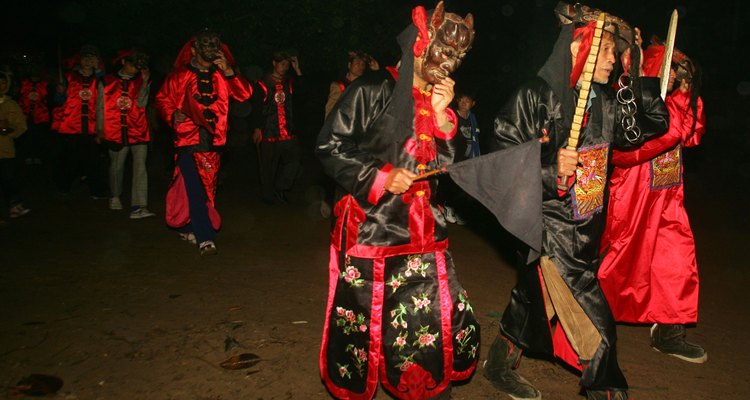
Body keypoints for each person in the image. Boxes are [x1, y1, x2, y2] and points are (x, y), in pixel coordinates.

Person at [483, 3, 669, 400]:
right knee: (597, 328)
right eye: (604, 51)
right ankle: (607, 390)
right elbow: (499, 163)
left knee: (532, 300)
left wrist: (635, 69)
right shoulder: (534, 96)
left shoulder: (601, 102)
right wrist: (549, 169)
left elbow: (647, 127)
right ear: (577, 47)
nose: (610, 60)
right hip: (548, 232)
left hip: (586, 236)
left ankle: (498, 361)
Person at [316, 2, 476, 399]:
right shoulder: (373, 88)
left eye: (458, 57)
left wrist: (442, 120)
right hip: (372, 228)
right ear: (421, 46)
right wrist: (381, 176)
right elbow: (330, 145)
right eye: (445, 52)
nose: (451, 65)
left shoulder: (439, 101)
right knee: (367, 324)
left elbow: (448, 169)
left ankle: (426, 388)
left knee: (431, 319)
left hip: (424, 232)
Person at [598, 41, 707, 363]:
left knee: (676, 261)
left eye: (679, 72)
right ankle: (580, 318)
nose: (674, 76)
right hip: (631, 199)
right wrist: (676, 103)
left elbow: (692, 133)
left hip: (668, 198)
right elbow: (650, 142)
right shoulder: (629, 105)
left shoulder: (673, 103)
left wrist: (688, 90)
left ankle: (669, 331)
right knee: (613, 264)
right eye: (670, 69)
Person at [155, 29, 252, 255]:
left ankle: (188, 225)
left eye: (214, 46)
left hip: (214, 142)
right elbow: (162, 100)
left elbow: (244, 94)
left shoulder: (221, 74)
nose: (210, 50)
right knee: (195, 186)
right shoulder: (180, 75)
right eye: (205, 46)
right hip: (188, 139)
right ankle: (205, 236)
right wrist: (172, 114)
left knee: (206, 188)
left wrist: (229, 71)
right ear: (195, 50)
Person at [98, 49, 155, 219]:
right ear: (123, 62)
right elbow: (100, 106)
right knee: (116, 166)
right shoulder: (106, 80)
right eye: (132, 65)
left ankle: (139, 206)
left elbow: (142, 104)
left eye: (137, 66)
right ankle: (115, 195)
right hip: (115, 130)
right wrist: (100, 129)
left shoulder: (141, 80)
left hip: (137, 129)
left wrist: (145, 83)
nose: (134, 69)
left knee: (140, 167)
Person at [52, 44, 109, 198]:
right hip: (71, 125)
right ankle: (63, 185)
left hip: (91, 126)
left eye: (92, 58)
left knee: (93, 160)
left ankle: (96, 190)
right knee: (69, 159)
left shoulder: (100, 79)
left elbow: (106, 100)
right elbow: (58, 101)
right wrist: (60, 94)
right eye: (85, 58)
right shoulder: (69, 77)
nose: (88, 61)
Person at [251, 50, 302, 205]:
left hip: (288, 132)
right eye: (282, 63)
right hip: (269, 131)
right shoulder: (262, 83)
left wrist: (297, 69)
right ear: (274, 63)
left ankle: (281, 188)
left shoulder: (290, 82)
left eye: (287, 64)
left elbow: (303, 93)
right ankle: (268, 196)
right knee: (268, 166)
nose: (284, 67)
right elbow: (256, 107)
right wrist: (256, 128)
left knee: (294, 161)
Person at [442, 92, 480, 225]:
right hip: (453, 156)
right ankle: (448, 207)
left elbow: (475, 138)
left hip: (468, 157)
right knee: (452, 183)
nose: (464, 103)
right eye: (461, 100)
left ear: (473, 104)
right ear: (457, 101)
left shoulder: (473, 118)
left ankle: (458, 211)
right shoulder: (451, 115)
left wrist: (476, 156)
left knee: (465, 185)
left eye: (467, 100)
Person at [0, 71, 29, 220]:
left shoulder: (11, 104)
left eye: (3, 83)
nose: (1, 86)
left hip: (6, 150)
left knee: (9, 179)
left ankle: (14, 206)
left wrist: (8, 130)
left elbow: (21, 126)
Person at [324, 51, 380, 119]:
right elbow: (330, 111)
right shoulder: (339, 86)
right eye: (357, 63)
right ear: (349, 65)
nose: (360, 66)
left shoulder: (364, 85)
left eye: (363, 64)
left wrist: (377, 71)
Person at [17, 64, 50, 166]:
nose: (34, 75)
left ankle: (38, 156)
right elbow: (20, 97)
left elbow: (48, 99)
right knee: (27, 136)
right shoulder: (24, 83)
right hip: (26, 115)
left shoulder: (45, 84)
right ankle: (27, 156)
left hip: (40, 116)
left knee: (38, 137)